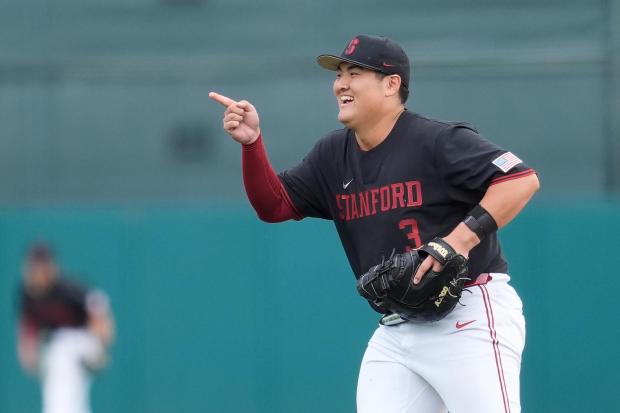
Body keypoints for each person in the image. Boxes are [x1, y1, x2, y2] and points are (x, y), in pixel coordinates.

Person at [209, 34, 539, 413]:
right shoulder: (333, 155)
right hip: (398, 328)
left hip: (468, 311)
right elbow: (274, 205)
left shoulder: (436, 140)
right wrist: (252, 145)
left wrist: (457, 241)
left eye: (354, 73)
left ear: (391, 84)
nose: (340, 84)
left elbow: (520, 179)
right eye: (338, 75)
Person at [16, 242, 115, 413]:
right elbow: (27, 326)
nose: (37, 272)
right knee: (72, 402)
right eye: (34, 267)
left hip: (81, 340)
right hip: (54, 347)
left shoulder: (68, 288)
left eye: (42, 266)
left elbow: (99, 308)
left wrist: (101, 345)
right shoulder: (27, 293)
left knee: (60, 399)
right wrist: (28, 353)